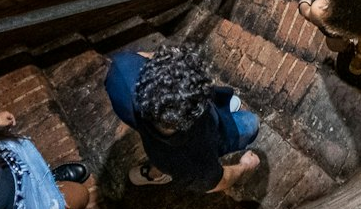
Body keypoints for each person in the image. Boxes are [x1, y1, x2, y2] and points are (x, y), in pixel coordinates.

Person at [105, 44, 260, 191]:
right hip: (205, 139)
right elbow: (218, 182)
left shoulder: (121, 70)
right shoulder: (190, 161)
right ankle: (156, 173)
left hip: (151, 136)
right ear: (193, 117)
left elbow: (145, 57)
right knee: (252, 123)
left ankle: (154, 172)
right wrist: (244, 166)